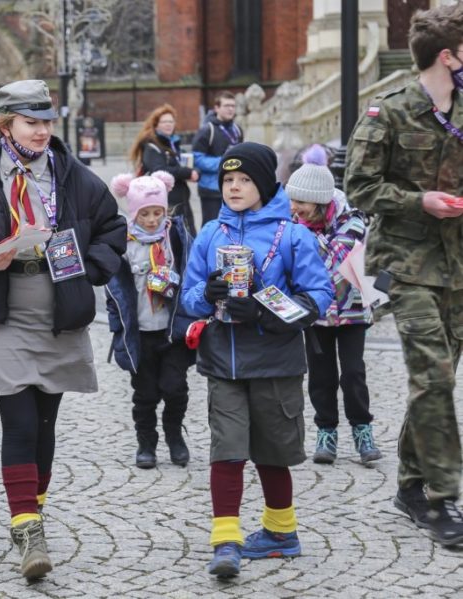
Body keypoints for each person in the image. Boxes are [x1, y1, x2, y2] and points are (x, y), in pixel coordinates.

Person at [0, 79, 126, 581]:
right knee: (17, 422)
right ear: (6, 126)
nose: (41, 131)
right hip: (4, 312)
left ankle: (27, 513)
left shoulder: (74, 176)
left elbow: (112, 229)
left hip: (58, 311)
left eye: (45, 122)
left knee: (44, 426)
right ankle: (30, 530)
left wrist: (91, 268)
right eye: (30, 123)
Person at [180, 142, 333, 578]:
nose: (234, 187)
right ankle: (225, 542)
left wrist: (266, 312)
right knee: (226, 450)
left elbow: (318, 297)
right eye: (228, 180)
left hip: (276, 362)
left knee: (272, 452)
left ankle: (281, 532)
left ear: (265, 185)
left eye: (244, 179)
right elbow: (188, 296)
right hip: (223, 362)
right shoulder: (211, 234)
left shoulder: (293, 235)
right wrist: (206, 296)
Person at [344, 3, 463, 547]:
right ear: (449, 55)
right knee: (433, 377)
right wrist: (421, 201)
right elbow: (360, 189)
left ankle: (411, 486)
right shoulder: (387, 113)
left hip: (457, 266)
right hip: (405, 265)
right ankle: (442, 500)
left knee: (435, 380)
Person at [286, 145, 382, 466]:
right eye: (292, 201)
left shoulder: (352, 221)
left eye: (300, 202)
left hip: (353, 309)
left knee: (353, 374)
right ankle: (326, 431)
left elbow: (333, 260)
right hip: (317, 312)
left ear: (319, 199)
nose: (294, 208)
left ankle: (362, 430)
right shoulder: (296, 222)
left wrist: (301, 236)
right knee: (320, 376)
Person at [105, 170, 195, 469]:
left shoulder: (176, 238)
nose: (153, 220)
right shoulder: (124, 244)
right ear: (134, 213)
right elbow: (113, 291)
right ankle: (146, 441)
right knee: (145, 393)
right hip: (140, 332)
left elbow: (192, 275)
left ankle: (174, 436)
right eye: (145, 214)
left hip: (171, 331)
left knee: (175, 388)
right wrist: (118, 328)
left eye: (158, 212)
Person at [129, 104, 200, 236]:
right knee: (173, 240)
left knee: (188, 238)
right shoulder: (152, 147)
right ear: (156, 125)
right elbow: (159, 170)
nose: (169, 124)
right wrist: (187, 173)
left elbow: (181, 165)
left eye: (171, 121)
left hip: (182, 200)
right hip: (166, 202)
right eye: (164, 122)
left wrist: (194, 171)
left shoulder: (172, 144)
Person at [192, 92, 243, 227]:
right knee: (211, 227)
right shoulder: (206, 130)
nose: (230, 109)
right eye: (226, 105)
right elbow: (197, 159)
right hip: (211, 189)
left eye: (233, 106)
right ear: (216, 108)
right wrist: (224, 162)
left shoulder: (237, 129)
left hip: (233, 188)